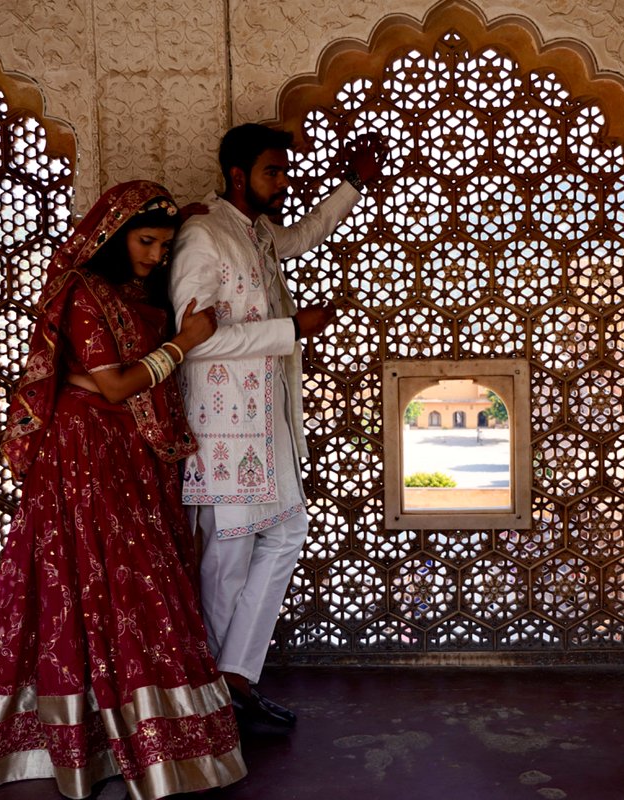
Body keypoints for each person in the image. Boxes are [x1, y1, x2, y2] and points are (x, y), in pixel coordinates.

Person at [0, 181, 246, 799]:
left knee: (131, 581)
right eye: (145, 242)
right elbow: (116, 384)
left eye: (165, 245)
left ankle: (145, 731)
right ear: (114, 237)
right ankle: (86, 739)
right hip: (83, 452)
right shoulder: (85, 292)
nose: (156, 256)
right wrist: (184, 342)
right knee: (91, 580)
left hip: (129, 451)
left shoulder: (136, 293)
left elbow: (116, 382)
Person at [170, 124, 385, 732]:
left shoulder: (257, 232)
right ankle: (218, 698)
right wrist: (290, 330)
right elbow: (193, 340)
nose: (284, 182)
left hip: (268, 423)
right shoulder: (203, 235)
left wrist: (353, 184)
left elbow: (307, 234)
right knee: (227, 558)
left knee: (287, 534)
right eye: (273, 171)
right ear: (238, 176)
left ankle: (235, 677)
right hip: (221, 429)